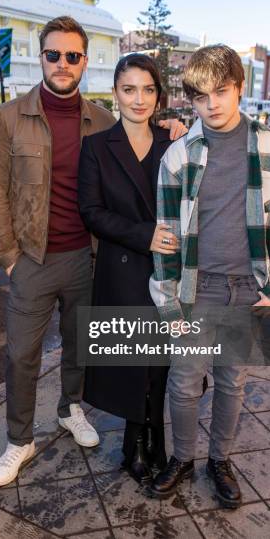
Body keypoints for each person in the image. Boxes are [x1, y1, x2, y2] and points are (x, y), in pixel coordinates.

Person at [0, 16, 186, 487]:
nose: (63, 64)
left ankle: (70, 409)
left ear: (85, 62)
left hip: (88, 258)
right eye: (54, 54)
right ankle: (19, 440)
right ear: (42, 57)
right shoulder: (8, 118)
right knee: (21, 355)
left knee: (80, 345)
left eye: (73, 56)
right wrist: (8, 257)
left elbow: (139, 138)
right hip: (31, 257)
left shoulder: (101, 117)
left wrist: (172, 127)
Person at [149, 44, 270, 507]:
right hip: (197, 291)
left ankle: (221, 459)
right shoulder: (178, 156)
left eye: (221, 91)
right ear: (191, 100)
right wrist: (170, 302)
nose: (212, 104)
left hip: (244, 291)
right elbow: (167, 235)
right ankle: (183, 459)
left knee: (232, 381)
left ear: (239, 87)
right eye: (201, 96)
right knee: (182, 382)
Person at [78, 54, 182, 484]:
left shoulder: (175, 143)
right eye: (129, 89)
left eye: (148, 89)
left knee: (161, 363)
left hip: (167, 270)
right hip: (123, 268)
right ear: (116, 93)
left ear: (159, 95)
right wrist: (144, 235)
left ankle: (156, 437)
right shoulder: (97, 147)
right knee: (133, 360)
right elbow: (91, 212)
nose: (139, 99)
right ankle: (134, 444)